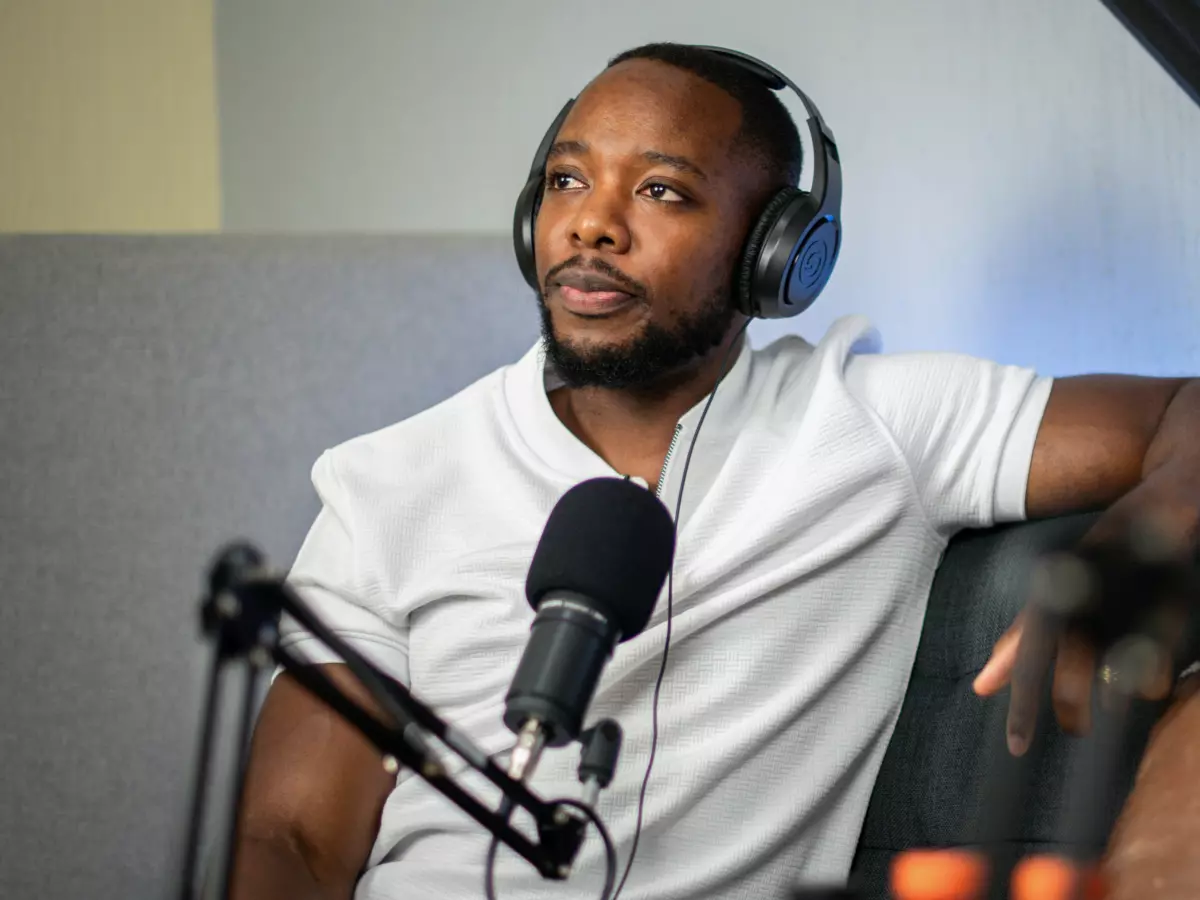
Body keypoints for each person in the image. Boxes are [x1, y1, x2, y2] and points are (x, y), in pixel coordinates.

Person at [230, 43, 1200, 900]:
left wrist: (1135, 545)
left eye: (661, 191)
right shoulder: (385, 483)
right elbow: (295, 838)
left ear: (775, 255)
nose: (593, 226)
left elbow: (1180, 413)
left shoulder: (874, 423)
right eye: (568, 182)